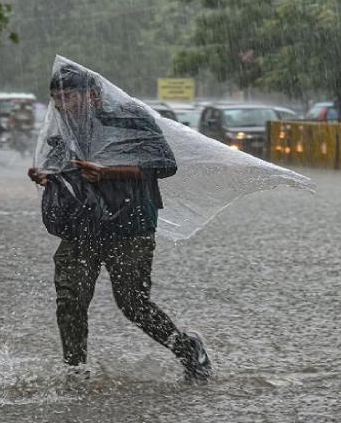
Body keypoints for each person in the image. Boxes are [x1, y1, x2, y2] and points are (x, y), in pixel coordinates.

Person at [28, 64, 212, 381]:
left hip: (130, 225)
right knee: (70, 301)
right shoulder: (65, 126)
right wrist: (47, 177)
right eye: (56, 98)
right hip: (82, 225)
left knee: (132, 304)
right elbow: (62, 166)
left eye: (69, 96)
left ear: (94, 94)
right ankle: (76, 372)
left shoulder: (130, 117)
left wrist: (107, 171)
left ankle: (188, 350)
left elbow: (164, 164)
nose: (62, 104)